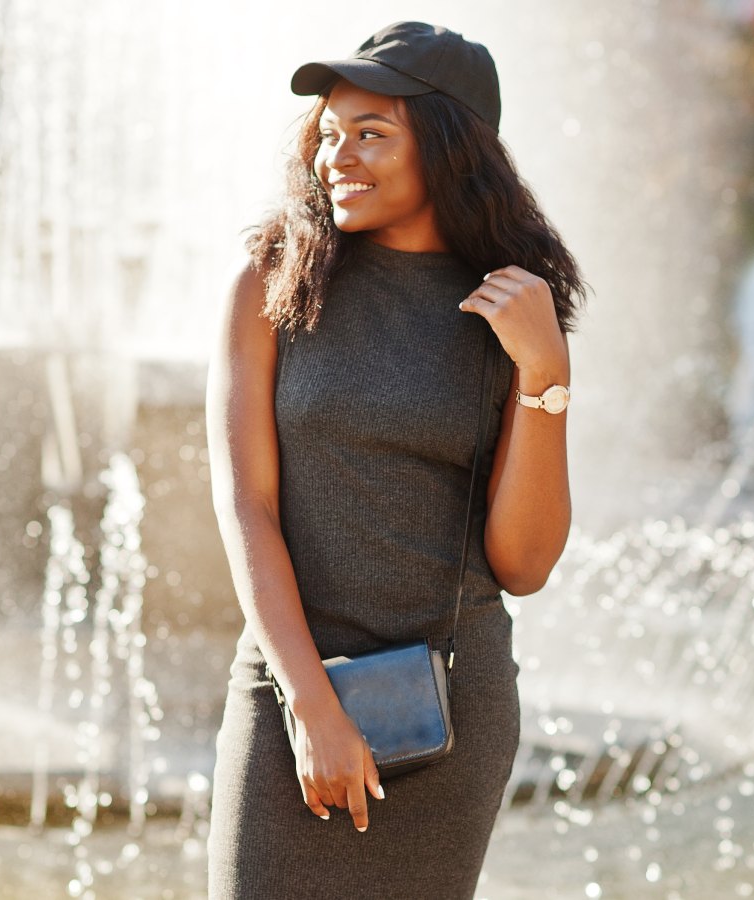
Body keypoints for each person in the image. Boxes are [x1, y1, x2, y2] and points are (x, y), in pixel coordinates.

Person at [205, 21, 586, 899]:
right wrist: (309, 706)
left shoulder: (512, 310)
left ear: (450, 151)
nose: (340, 155)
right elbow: (246, 506)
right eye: (330, 134)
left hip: (450, 709)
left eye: (373, 134)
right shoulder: (271, 278)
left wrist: (546, 371)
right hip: (290, 688)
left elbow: (524, 564)